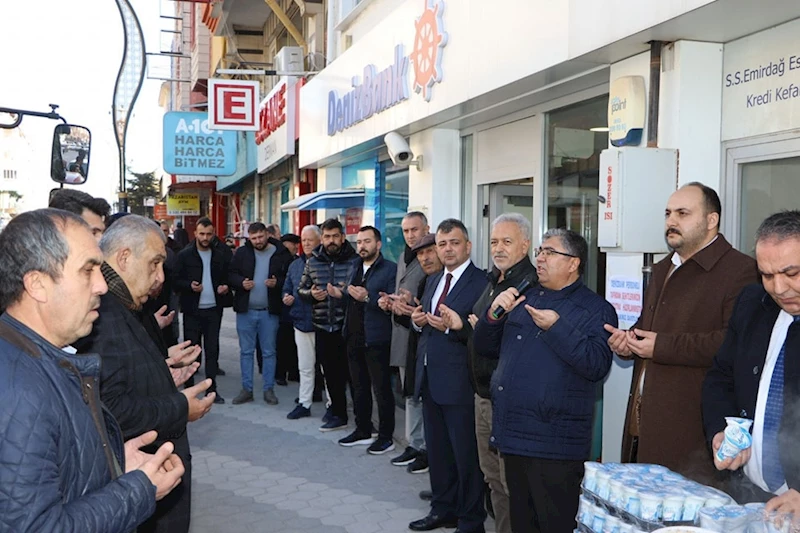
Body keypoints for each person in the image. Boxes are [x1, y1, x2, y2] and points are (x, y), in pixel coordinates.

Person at [0, 209, 184, 532]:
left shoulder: (38, 359)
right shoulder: (21, 393)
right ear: (38, 284)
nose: (101, 285)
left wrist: (112, 463)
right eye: (88, 271)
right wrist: (139, 490)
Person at [605, 182, 757, 483]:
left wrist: (660, 346)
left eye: (683, 213)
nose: (671, 221)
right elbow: (650, 328)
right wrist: (628, 341)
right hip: (644, 423)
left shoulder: (740, 270)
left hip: (694, 432)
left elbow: (733, 344)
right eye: (668, 213)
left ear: (711, 220)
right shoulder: (663, 268)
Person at [73, 214, 214, 533]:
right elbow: (111, 411)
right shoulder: (103, 314)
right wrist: (181, 408)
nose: (160, 276)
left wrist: (163, 371)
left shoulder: (127, 306)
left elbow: (123, 376)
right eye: (154, 263)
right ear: (124, 257)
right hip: (143, 483)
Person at [474, 228, 615, 532]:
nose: (540, 258)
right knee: (522, 523)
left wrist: (558, 328)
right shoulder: (525, 296)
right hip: (513, 434)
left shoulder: (596, 309)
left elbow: (596, 365)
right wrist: (495, 314)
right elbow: (484, 347)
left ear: (573, 263)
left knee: (554, 523)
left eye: (549, 252)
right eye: (539, 251)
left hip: (555, 444)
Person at [703, 210, 800, 511]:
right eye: (767, 275)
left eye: (792, 273)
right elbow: (721, 377)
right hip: (749, 492)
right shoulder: (752, 304)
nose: (779, 288)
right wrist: (723, 431)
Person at [408, 219, 488, 533]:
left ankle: (471, 521)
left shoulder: (481, 282)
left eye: (454, 243)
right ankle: (443, 509)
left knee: (466, 457)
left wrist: (455, 329)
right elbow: (428, 327)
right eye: (442, 244)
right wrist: (417, 321)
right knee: (439, 454)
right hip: (430, 378)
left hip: (461, 383)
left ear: (467, 246)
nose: (447, 249)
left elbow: (483, 335)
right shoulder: (433, 280)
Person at [463, 213, 537, 533]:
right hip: (484, 396)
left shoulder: (528, 286)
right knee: (493, 480)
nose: (498, 248)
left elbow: (521, 344)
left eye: (507, 242)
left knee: (510, 485)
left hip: (506, 402)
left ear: (525, 245)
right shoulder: (495, 280)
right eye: (494, 242)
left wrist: (485, 329)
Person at [334, 226, 397, 454]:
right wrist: (341, 295)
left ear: (378, 244)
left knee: (381, 390)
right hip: (353, 336)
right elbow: (351, 299)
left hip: (376, 339)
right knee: (358, 387)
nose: (362, 246)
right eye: (359, 242)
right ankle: (363, 429)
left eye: (367, 241)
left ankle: (386, 436)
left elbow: (390, 304)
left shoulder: (389, 269)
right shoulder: (355, 266)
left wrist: (368, 297)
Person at [297, 218, 358, 432]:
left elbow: (362, 290)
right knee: (330, 374)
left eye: (335, 236)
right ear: (321, 238)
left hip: (347, 326)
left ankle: (361, 418)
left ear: (342, 237)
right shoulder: (313, 261)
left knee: (352, 375)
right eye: (327, 236)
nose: (331, 241)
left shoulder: (355, 260)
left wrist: (344, 293)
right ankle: (338, 413)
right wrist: (311, 294)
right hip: (323, 326)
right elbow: (301, 289)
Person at [382, 211, 431, 473]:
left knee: (419, 395)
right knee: (409, 393)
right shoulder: (403, 256)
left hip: (422, 337)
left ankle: (423, 448)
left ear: (427, 228)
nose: (410, 235)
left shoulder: (430, 260)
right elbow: (404, 294)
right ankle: (414, 444)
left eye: (415, 229)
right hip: (402, 333)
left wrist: (410, 305)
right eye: (406, 231)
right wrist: (390, 302)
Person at [228, 222, 293, 405]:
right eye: (254, 238)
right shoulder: (242, 253)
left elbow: (289, 278)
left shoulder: (280, 253)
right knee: (246, 352)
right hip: (245, 311)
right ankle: (247, 389)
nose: (257, 241)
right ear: (249, 237)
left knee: (269, 352)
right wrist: (241, 283)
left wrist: (277, 283)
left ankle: (268, 389)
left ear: (267, 234)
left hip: (269, 312)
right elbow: (230, 274)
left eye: (260, 237)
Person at [174, 217, 231, 404]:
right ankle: (189, 389)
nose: (205, 237)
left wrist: (225, 287)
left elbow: (227, 277)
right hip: (192, 310)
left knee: (212, 350)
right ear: (196, 234)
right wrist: (189, 286)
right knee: (191, 352)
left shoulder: (220, 254)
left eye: (209, 234)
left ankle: (212, 389)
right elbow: (175, 281)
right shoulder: (184, 255)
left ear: (213, 234)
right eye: (202, 234)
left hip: (214, 309)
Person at [285, 225, 327, 419]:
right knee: (305, 366)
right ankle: (304, 402)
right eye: (304, 240)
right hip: (301, 322)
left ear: (320, 240)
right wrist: (286, 296)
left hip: (325, 322)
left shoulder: (327, 262)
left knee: (327, 368)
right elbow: (287, 287)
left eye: (311, 239)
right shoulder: (295, 265)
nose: (307, 243)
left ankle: (332, 405)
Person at [276, 233, 302, 385]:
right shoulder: (280, 260)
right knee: (283, 342)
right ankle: (280, 373)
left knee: (294, 343)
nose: (296, 246)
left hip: (297, 308)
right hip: (283, 307)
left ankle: (293, 372)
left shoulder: (298, 261)